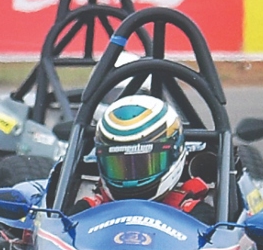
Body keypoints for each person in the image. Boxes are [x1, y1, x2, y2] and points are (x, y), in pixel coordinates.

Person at [75, 94, 215, 222]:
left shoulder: (198, 215)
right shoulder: (86, 211)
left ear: (175, 153)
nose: (131, 180)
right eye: (120, 166)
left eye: (142, 165)